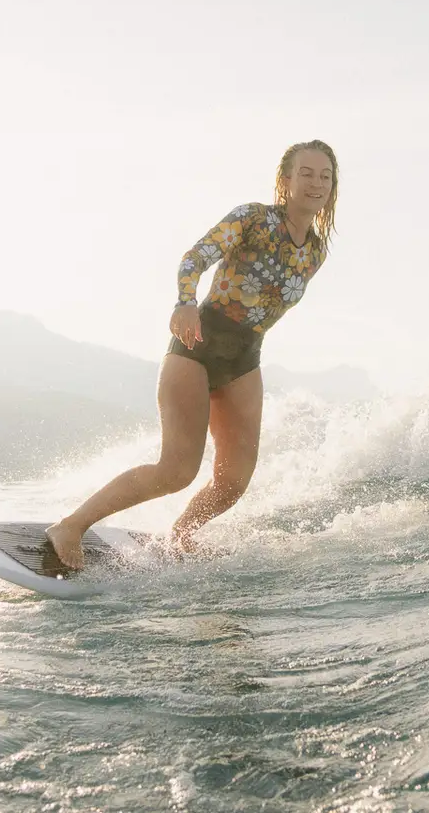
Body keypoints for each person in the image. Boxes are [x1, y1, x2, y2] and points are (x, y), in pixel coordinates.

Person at [42, 140, 339, 570]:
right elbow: (196, 257)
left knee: (234, 480)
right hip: (197, 345)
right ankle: (70, 526)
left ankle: (180, 535)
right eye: (306, 173)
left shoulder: (315, 252)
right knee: (177, 470)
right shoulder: (254, 219)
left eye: (325, 176)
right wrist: (185, 301)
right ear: (286, 180)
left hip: (244, 358)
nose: (316, 183)